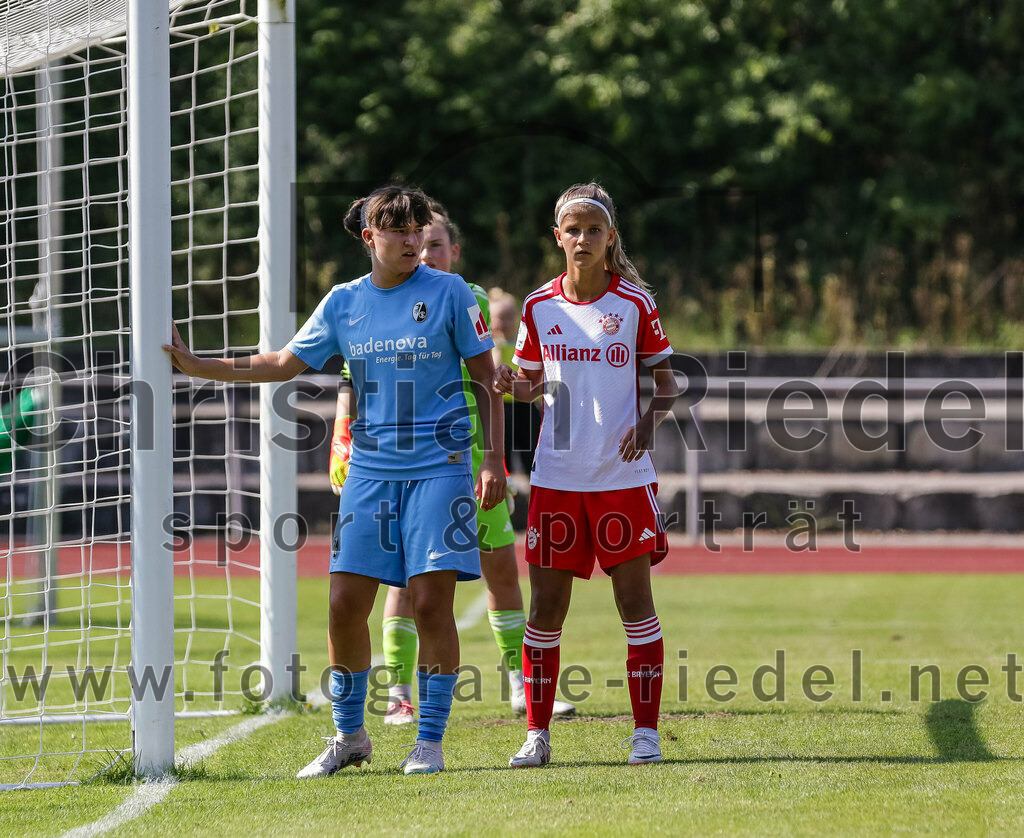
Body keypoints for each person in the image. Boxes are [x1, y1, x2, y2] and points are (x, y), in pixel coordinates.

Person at [164, 184, 505, 776]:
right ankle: (349, 737)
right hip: (370, 472)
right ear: (369, 236)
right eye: (396, 229)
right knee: (345, 604)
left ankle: (428, 741)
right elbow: (280, 363)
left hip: (439, 468)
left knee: (429, 603)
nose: (411, 239)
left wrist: (492, 458)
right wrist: (199, 365)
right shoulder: (345, 302)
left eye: (417, 228)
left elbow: (485, 377)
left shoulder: (450, 292)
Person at [329, 202, 574, 723]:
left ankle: (517, 680)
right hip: (409, 465)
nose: (424, 249)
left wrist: (495, 459)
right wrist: (340, 434)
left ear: (454, 251)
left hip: (467, 459)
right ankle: (396, 693)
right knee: (405, 583)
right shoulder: (366, 302)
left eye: (434, 241)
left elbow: (492, 377)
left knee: (501, 570)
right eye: (414, 237)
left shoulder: (464, 296)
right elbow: (353, 376)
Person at [494, 182, 680, 767]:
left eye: (593, 230)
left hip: (622, 480)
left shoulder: (634, 305)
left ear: (610, 239)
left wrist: (648, 424)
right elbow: (529, 385)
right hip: (556, 478)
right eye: (572, 230)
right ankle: (537, 733)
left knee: (636, 606)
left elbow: (667, 385)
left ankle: (645, 734)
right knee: (546, 611)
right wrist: (509, 384)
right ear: (558, 238)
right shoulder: (537, 307)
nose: (582, 240)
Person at [488, 289, 541, 476]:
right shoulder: (493, 345)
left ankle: (532, 486)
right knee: (505, 453)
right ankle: (508, 490)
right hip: (503, 408)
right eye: (500, 318)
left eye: (509, 317)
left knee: (531, 453)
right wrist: (497, 347)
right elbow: (492, 372)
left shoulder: (524, 342)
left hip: (525, 407)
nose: (505, 322)